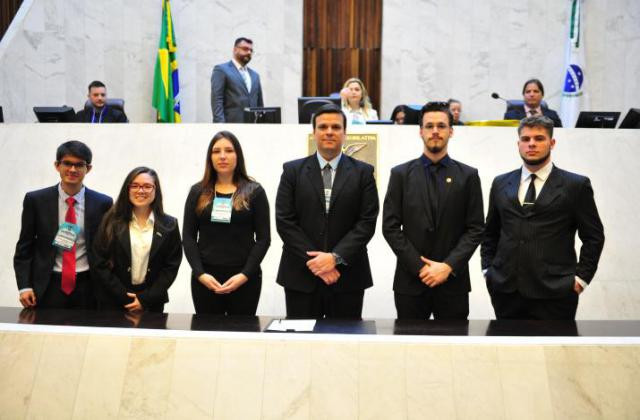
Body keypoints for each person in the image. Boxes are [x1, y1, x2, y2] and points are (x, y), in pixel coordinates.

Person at [481, 116, 605, 320]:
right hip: (505, 291)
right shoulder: (501, 183)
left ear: (552, 143)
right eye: (526, 139)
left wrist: (580, 280)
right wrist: (488, 270)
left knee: (556, 352)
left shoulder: (575, 185)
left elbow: (594, 237)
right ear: (518, 144)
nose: (531, 144)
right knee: (509, 351)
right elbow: (491, 232)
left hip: (556, 293)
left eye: (539, 138)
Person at [275, 103, 379, 319]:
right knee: (302, 346)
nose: (329, 132)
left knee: (345, 347)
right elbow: (285, 221)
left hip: (347, 276)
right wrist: (318, 263)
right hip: (301, 275)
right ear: (314, 132)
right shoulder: (292, 171)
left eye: (335, 127)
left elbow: (366, 222)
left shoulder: (363, 173)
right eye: (323, 127)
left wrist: (335, 258)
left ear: (344, 133)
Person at [383, 102, 484, 319]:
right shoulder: (400, 174)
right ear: (420, 131)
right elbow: (390, 227)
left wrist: (447, 267)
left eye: (441, 126)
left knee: (454, 350)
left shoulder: (468, 176)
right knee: (408, 350)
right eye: (429, 126)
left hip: (453, 283)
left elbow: (475, 229)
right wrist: (420, 267)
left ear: (451, 131)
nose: (435, 131)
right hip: (410, 282)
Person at [14, 141, 113, 309]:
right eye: (67, 163)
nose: (72, 170)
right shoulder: (36, 200)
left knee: (86, 334)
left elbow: (108, 248)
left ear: (88, 169)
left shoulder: (102, 203)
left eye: (79, 165)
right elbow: (24, 247)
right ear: (57, 165)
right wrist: (24, 286)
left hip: (89, 285)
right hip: (48, 284)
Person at [183, 131, 270, 315]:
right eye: (216, 151)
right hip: (206, 279)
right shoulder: (197, 191)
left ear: (237, 155)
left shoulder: (254, 191)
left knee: (241, 336)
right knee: (208, 335)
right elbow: (188, 237)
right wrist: (200, 274)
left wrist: (245, 275)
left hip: (244, 279)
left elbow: (263, 239)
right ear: (210, 157)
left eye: (229, 150)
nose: (222, 156)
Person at [92, 167, 182, 313]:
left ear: (156, 190)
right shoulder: (111, 220)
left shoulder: (170, 225)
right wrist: (124, 296)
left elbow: (171, 267)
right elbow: (99, 262)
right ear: (127, 189)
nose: (141, 191)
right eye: (135, 185)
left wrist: (145, 299)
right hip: (113, 300)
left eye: (147, 186)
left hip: (152, 303)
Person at [211, 37, 264, 123]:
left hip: (253, 129)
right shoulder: (221, 70)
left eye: (251, 50)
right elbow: (217, 101)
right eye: (245, 49)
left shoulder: (255, 76)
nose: (249, 52)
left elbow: (260, 105)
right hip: (231, 128)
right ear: (235, 50)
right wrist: (220, 126)